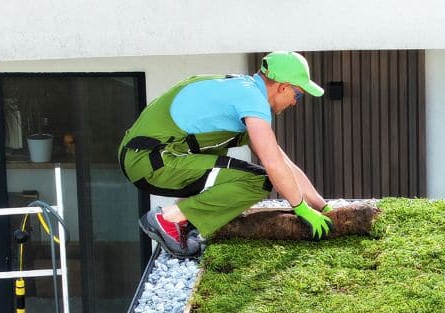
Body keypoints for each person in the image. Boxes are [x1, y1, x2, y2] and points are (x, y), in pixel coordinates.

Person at [118, 51, 333, 258]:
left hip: (147, 157)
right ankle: (169, 219)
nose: (295, 102)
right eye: (297, 95)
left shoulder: (239, 89)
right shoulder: (252, 100)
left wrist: (322, 206)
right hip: (152, 160)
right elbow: (274, 167)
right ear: (283, 87)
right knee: (258, 182)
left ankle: (185, 221)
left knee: (238, 163)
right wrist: (300, 208)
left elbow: (282, 162)